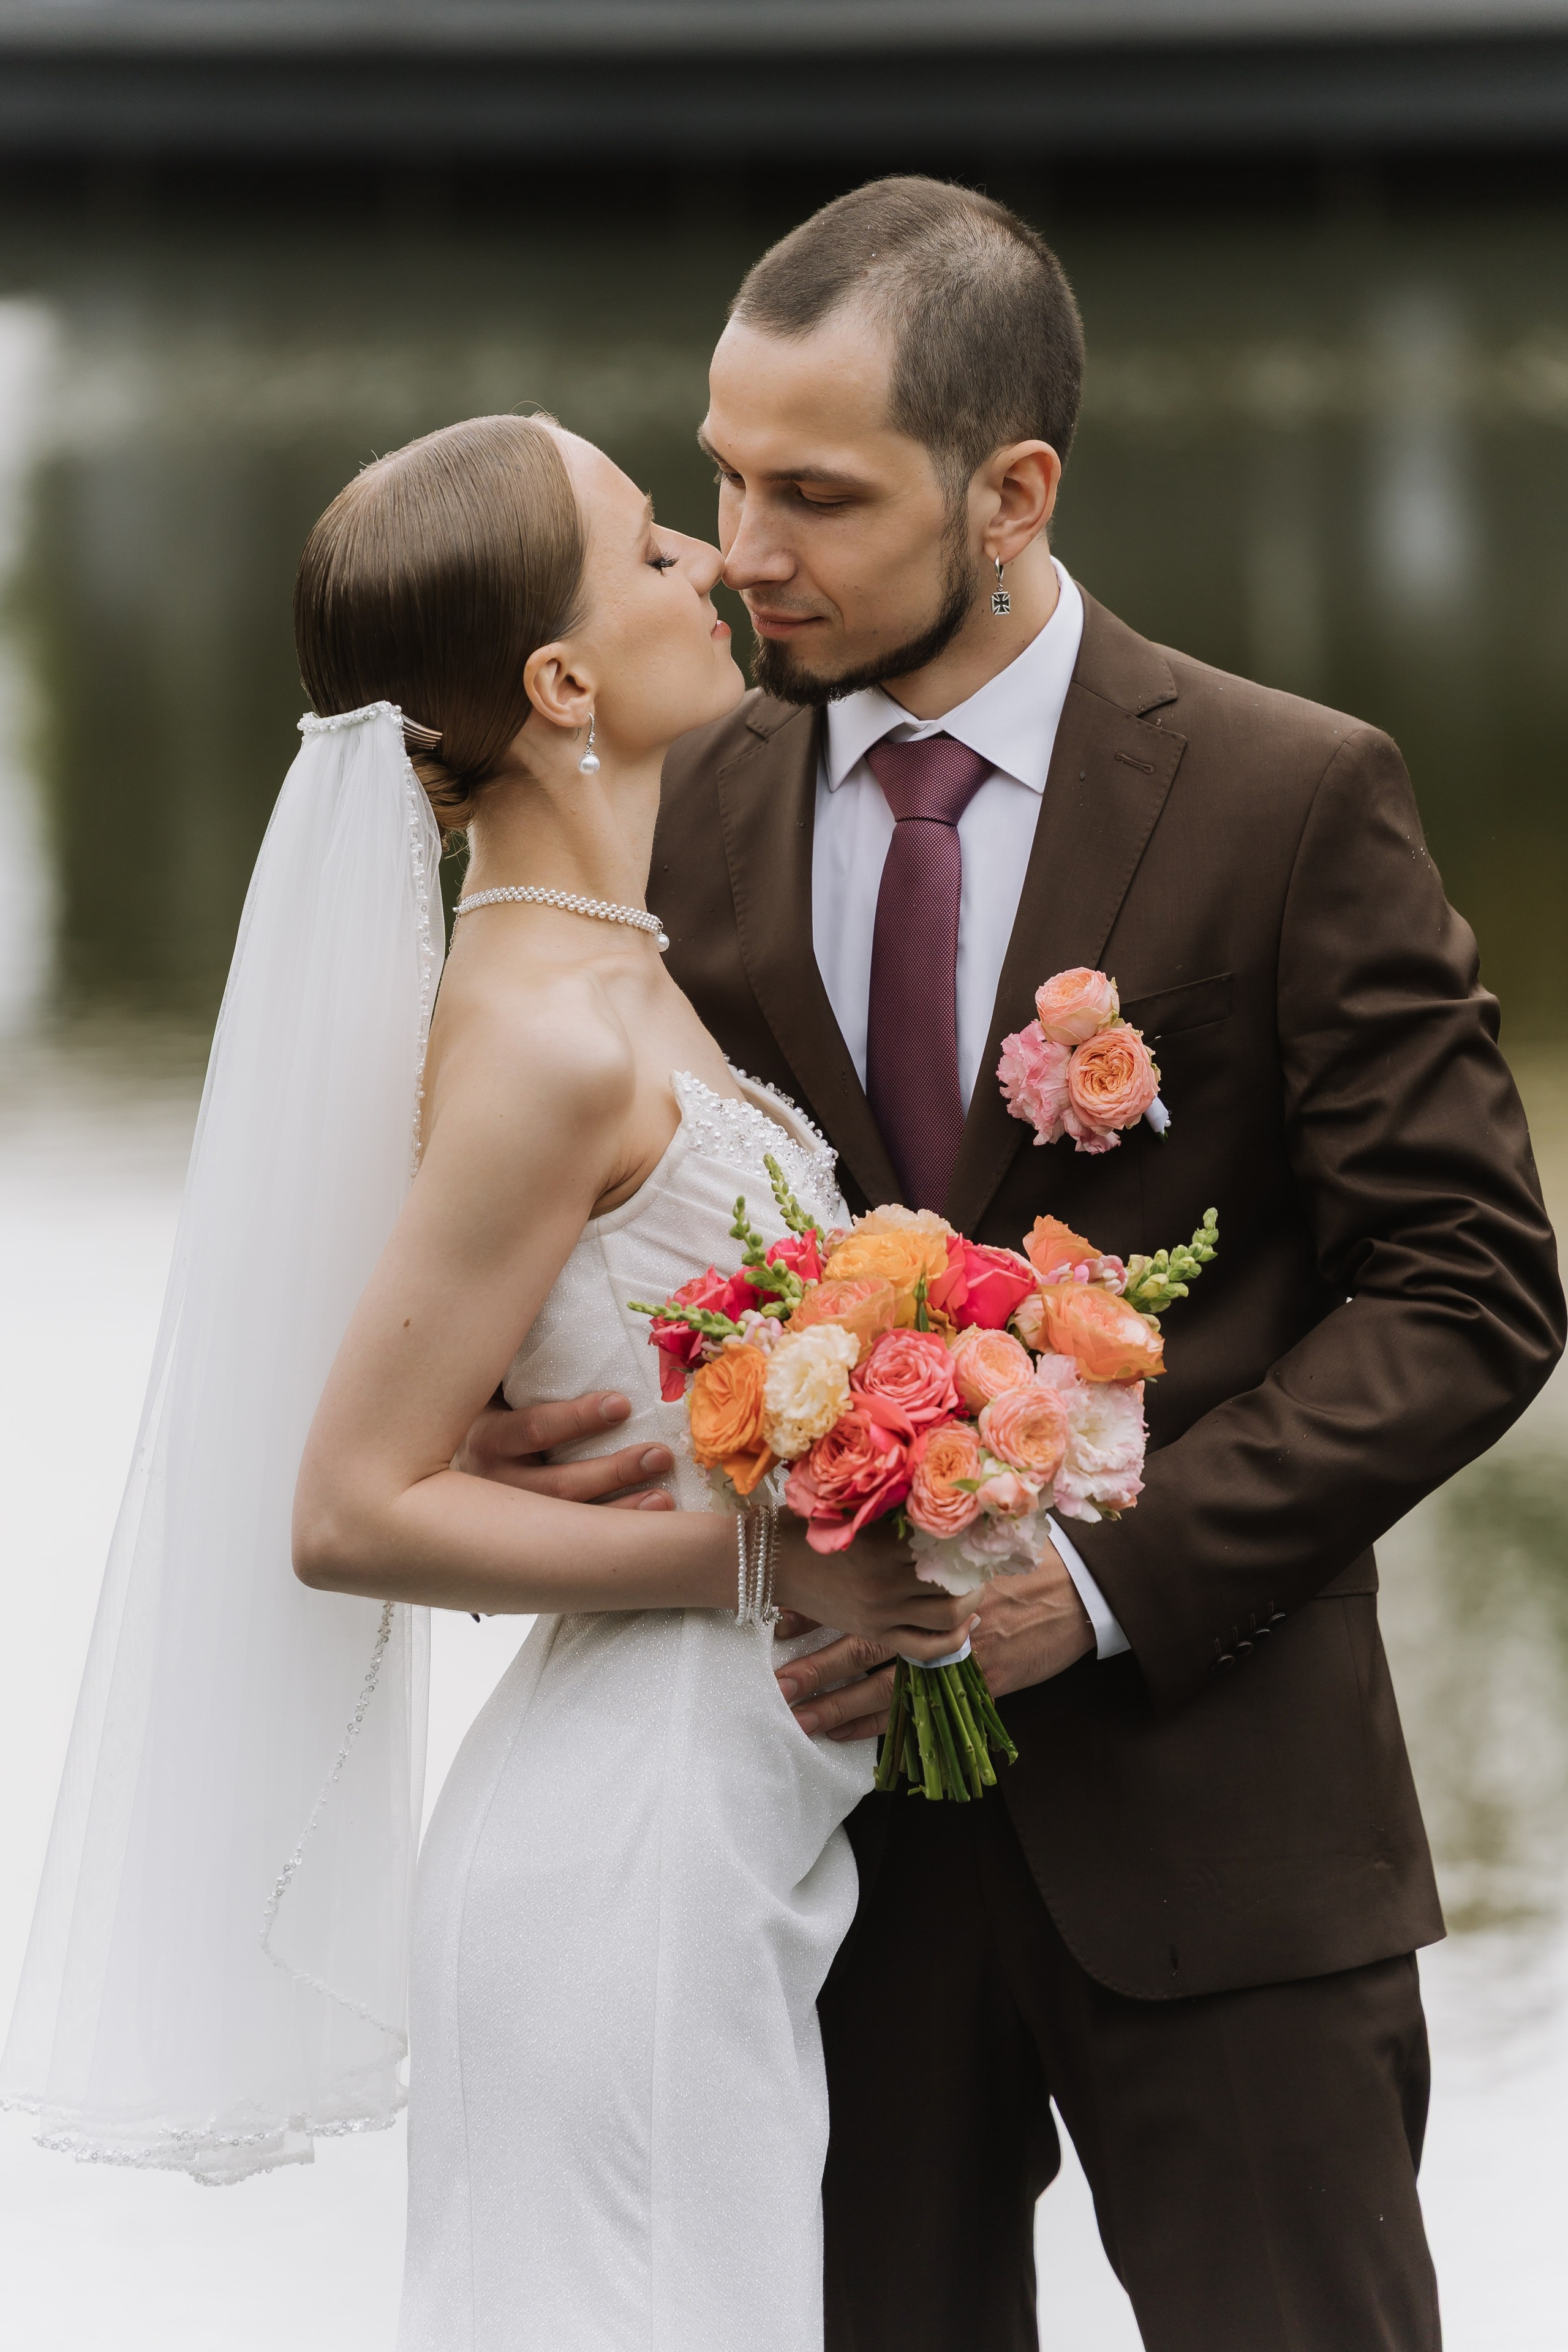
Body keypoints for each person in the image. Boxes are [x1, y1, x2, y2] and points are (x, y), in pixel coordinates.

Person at [464, 181, 1566, 2350]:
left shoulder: (1289, 793)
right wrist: (531, 1386)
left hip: (1229, 1838)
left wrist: (1109, 1589)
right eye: (719, 480)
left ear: (1011, 493)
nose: (744, 548)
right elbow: (556, 1202)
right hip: (805, 1858)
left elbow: (1467, 1289)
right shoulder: (665, 806)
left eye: (815, 495)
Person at [2, 412, 975, 2349]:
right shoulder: (544, 1033)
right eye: (649, 550)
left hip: (710, 1831)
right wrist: (769, 1566)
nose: (711, 564)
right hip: (625, 1861)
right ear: (561, 680)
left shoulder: (617, 971)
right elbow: (349, 1505)